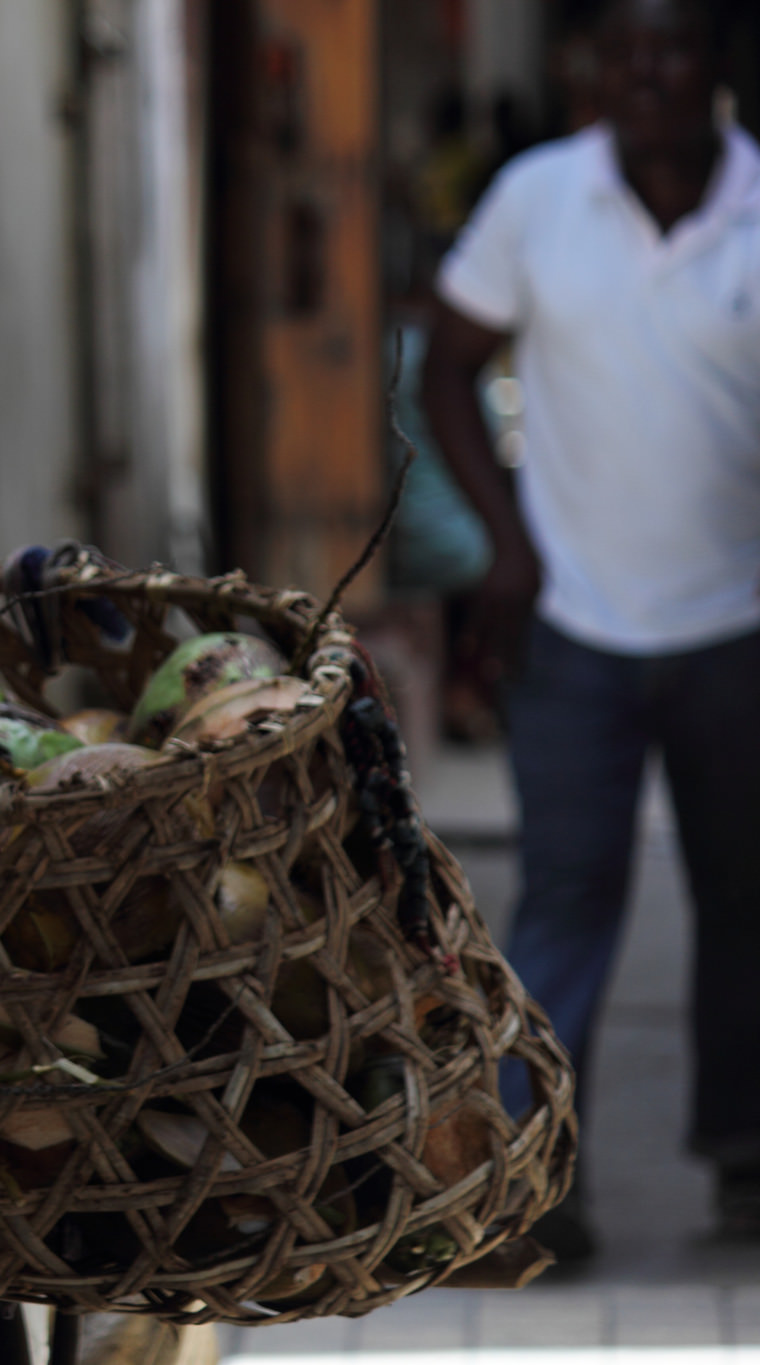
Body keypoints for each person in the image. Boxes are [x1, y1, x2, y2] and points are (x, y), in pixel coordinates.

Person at [421, 0, 760, 1261]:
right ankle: (534, 1184)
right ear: (592, 71)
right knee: (564, 897)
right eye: (620, 51)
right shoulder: (537, 198)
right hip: (569, 626)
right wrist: (504, 547)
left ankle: (744, 1158)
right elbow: (445, 366)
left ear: (715, 62)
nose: (644, 73)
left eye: (670, 46)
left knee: (743, 897)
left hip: (737, 626)